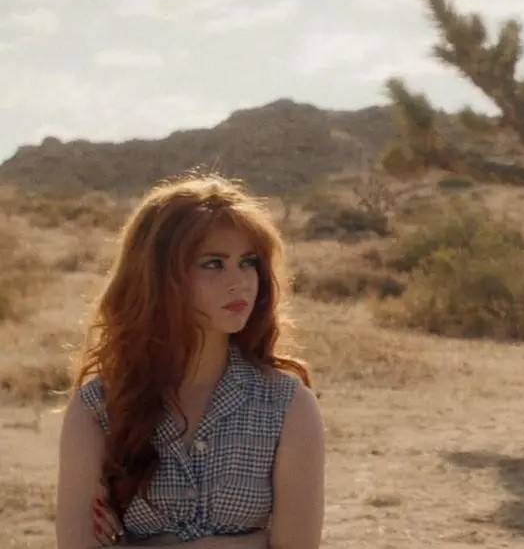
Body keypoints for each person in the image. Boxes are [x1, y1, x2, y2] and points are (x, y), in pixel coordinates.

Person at [56, 174, 325, 548]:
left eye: (248, 262)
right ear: (158, 275)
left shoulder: (286, 405)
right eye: (213, 264)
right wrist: (251, 542)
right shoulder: (98, 407)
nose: (239, 281)